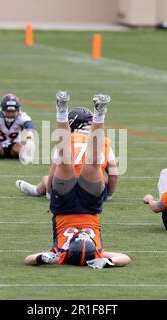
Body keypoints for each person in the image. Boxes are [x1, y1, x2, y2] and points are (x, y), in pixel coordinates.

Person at [25, 91, 130, 269]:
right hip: (86, 206)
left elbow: (29, 258)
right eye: (86, 238)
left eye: (78, 238)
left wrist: (44, 257)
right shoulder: (95, 252)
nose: (82, 235)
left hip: (66, 206)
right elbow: (124, 258)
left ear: (72, 243)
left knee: (68, 160)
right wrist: (107, 261)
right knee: (91, 162)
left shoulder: (61, 253)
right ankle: (92, 112)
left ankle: (67, 111)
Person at [15, 107, 118, 201]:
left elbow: (53, 171)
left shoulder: (65, 141)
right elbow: (113, 174)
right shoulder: (103, 141)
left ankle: (35, 190)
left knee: (46, 179)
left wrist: (50, 193)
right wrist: (108, 194)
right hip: (93, 190)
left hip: (67, 189)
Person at [0, 93, 36, 163]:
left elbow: (29, 124)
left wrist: (29, 134)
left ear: (17, 110)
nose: (10, 114)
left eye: (13, 111)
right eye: (8, 111)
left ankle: (25, 155)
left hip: (14, 145)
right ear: (2, 110)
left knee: (22, 147)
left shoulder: (21, 115)